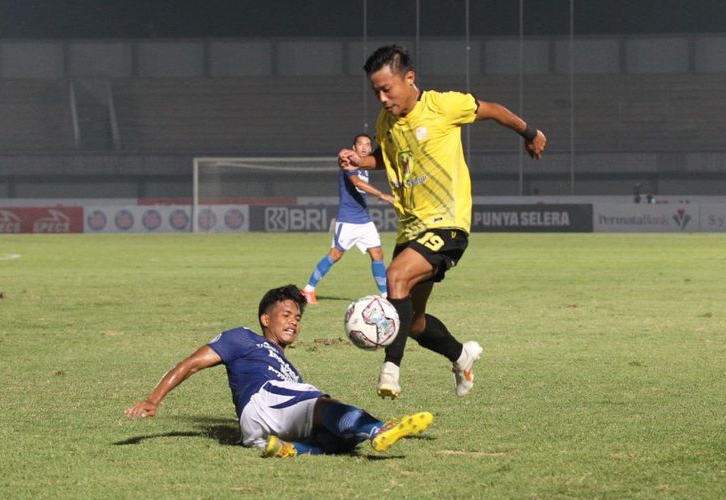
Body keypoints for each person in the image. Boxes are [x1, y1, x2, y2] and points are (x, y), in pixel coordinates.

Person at [338, 45, 547, 399]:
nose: (382, 97)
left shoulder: (443, 105)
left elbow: (493, 110)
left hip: (447, 223)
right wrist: (358, 161)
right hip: (410, 228)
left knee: (395, 277)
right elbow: (388, 161)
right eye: (376, 91)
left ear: (409, 78)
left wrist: (530, 134)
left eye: (387, 88)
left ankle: (390, 370)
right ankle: (461, 356)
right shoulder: (385, 123)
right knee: (415, 322)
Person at [125, 284, 433, 457]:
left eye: (298, 318)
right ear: (264, 319)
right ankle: (379, 429)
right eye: (286, 314)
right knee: (322, 404)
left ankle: (291, 449)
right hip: (263, 398)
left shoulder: (289, 370)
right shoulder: (243, 338)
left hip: (261, 428)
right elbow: (190, 364)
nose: (293, 322)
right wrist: (154, 399)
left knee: (341, 437)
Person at [302, 134, 395, 304]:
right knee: (335, 255)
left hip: (364, 220)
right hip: (348, 220)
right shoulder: (348, 163)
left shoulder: (365, 166)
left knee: (377, 253)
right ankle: (308, 289)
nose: (365, 147)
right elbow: (357, 182)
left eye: (368, 144)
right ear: (354, 147)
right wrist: (383, 194)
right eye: (360, 144)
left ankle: (385, 295)